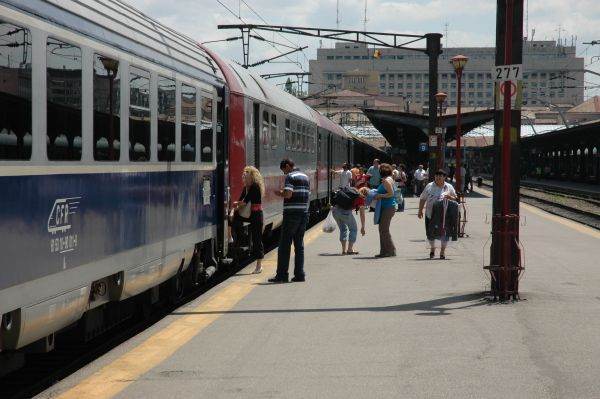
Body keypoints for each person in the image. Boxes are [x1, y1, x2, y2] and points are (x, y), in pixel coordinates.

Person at [270, 158, 310, 283]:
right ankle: (300, 275)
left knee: (284, 245)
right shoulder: (305, 176)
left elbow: (288, 195)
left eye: (284, 170)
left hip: (291, 214)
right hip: (303, 213)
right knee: (299, 246)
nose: (284, 174)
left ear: (287, 166)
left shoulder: (290, 177)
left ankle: (281, 275)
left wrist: (279, 193)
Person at [231, 166, 264, 274]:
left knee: (257, 239)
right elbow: (241, 200)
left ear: (251, 177)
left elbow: (244, 201)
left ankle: (259, 266)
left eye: (246, 177)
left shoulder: (254, 186)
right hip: (250, 214)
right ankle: (232, 237)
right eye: (243, 177)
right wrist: (233, 210)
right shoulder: (246, 188)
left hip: (256, 215)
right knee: (232, 216)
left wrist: (237, 204)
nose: (244, 179)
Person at [418, 169, 457, 260]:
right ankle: (432, 249)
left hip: (444, 215)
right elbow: (423, 198)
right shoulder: (429, 186)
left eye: (440, 176)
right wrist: (420, 211)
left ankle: (442, 252)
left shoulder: (449, 187)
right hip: (430, 214)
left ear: (444, 177)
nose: (438, 178)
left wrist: (450, 197)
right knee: (430, 233)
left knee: (444, 234)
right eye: (436, 176)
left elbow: (455, 198)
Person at [331, 187, 366, 255]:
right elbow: (362, 214)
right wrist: (363, 227)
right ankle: (350, 249)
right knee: (353, 229)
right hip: (345, 212)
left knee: (343, 229)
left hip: (335, 210)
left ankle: (343, 250)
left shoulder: (352, 190)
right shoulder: (360, 198)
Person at [372, 163, 397, 258]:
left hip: (388, 207)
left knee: (384, 230)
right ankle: (383, 251)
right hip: (387, 207)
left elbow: (391, 193)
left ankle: (390, 251)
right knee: (382, 229)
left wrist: (380, 195)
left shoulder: (386, 181)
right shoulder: (389, 179)